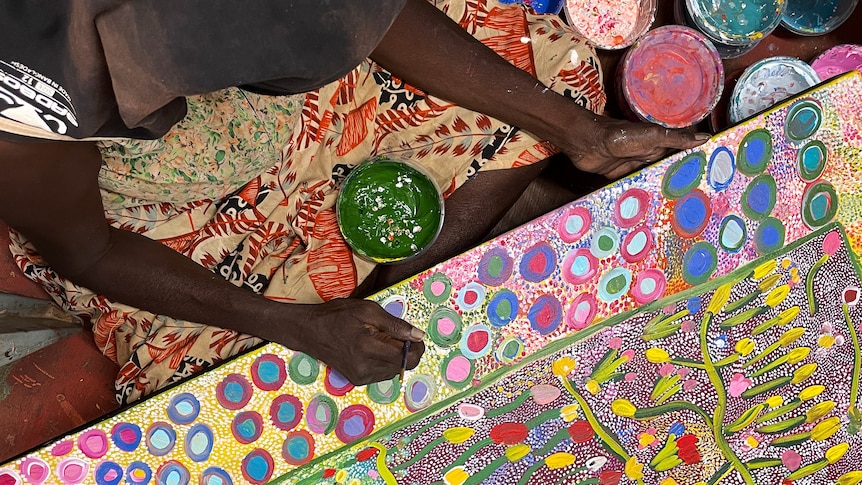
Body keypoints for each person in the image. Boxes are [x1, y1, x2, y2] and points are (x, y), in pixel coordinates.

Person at [0, 0, 709, 404]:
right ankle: (356, 303)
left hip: (301, 100)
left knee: (561, 74)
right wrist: (295, 325)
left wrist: (580, 133)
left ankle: (404, 283)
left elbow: (374, 18)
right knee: (219, 387)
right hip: (164, 207)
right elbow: (89, 248)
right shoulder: (24, 121)